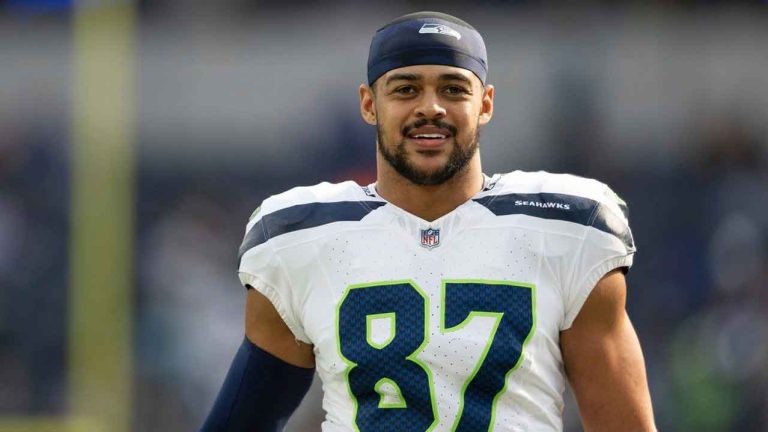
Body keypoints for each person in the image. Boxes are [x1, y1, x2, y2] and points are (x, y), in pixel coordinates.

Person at [201, 11, 656, 432]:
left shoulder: (568, 229)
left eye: (454, 89)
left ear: (485, 104)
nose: (431, 107)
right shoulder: (298, 239)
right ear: (368, 104)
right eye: (405, 89)